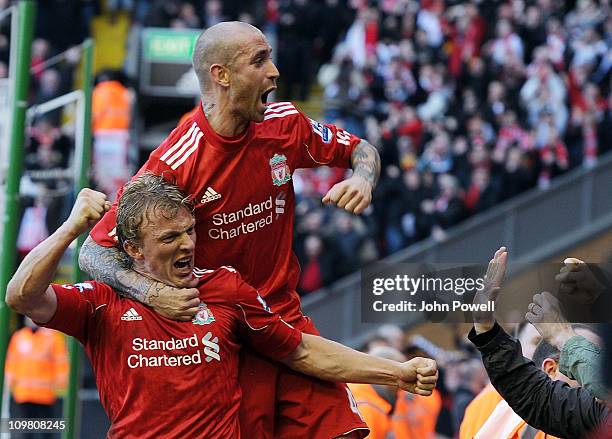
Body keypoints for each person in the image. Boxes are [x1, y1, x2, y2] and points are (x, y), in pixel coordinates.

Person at [78, 21, 381, 438]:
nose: (274, 71)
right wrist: (153, 293)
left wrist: (363, 178)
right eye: (259, 60)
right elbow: (93, 252)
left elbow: (361, 149)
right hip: (228, 335)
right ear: (221, 75)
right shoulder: (176, 162)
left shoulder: (285, 124)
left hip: (285, 317)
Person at [7, 175, 438, 438]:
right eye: (170, 237)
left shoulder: (226, 289)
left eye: (189, 231)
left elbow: (302, 351)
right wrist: (70, 228)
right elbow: (21, 295)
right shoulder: (103, 300)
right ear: (134, 249)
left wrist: (396, 373)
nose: (188, 244)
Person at [468, 247, 609, 438]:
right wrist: (486, 330)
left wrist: (563, 335)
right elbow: (534, 394)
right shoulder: (492, 409)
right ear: (551, 369)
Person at [5, 317, 68, 437]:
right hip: (24, 394)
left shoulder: (52, 338)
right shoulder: (19, 337)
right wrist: (9, 383)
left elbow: (61, 364)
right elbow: (11, 361)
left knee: (46, 431)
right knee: (27, 431)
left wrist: (60, 385)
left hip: (45, 394)